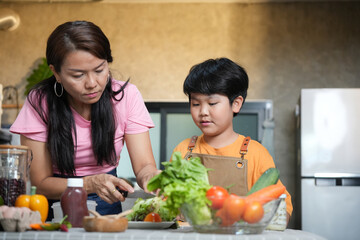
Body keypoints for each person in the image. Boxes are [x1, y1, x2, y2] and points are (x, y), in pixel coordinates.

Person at [10, 21, 159, 219]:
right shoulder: (40, 101)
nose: (92, 84)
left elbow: (144, 166)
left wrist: (151, 177)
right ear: (56, 73)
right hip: (53, 200)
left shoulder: (126, 96)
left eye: (99, 70)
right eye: (78, 75)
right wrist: (88, 184)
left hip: (105, 197)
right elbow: (40, 182)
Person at [172, 57, 293, 225]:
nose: (203, 112)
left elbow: (282, 207)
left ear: (236, 104)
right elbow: (169, 201)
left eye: (212, 103)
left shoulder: (255, 153)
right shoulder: (183, 149)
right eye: (195, 104)